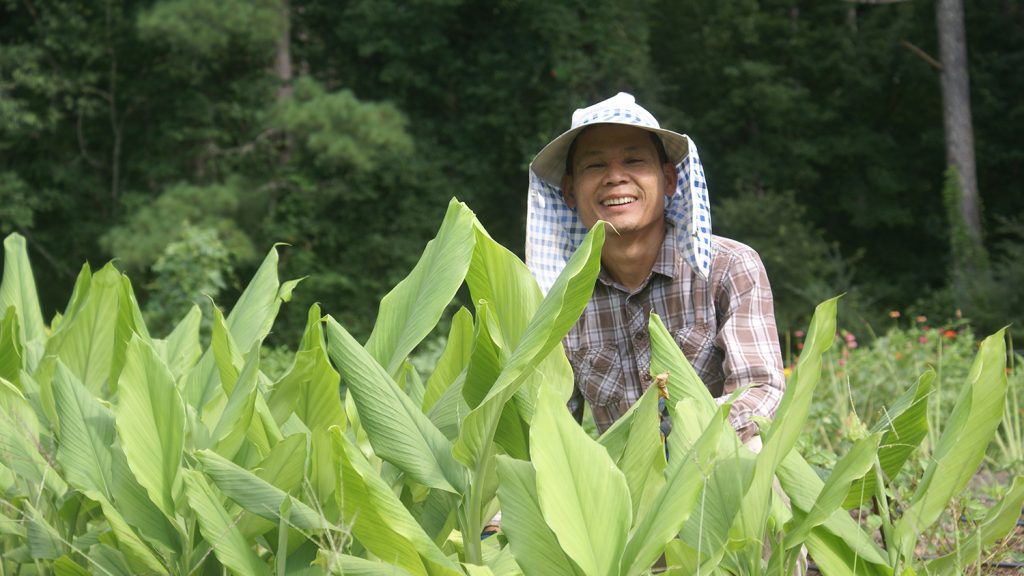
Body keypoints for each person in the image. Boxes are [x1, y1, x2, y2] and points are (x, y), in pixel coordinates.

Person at [525, 92, 785, 443]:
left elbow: (759, 389)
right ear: (570, 191)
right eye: (595, 165)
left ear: (669, 179)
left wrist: (684, 448)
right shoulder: (559, 301)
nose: (615, 177)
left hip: (721, 468)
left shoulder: (727, 267)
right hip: (624, 491)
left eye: (634, 161)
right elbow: (550, 425)